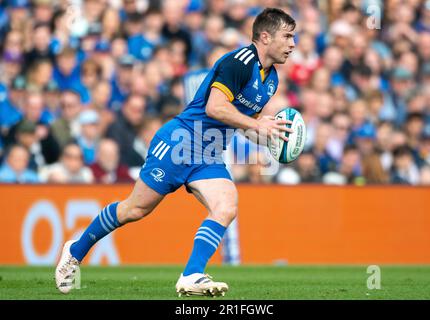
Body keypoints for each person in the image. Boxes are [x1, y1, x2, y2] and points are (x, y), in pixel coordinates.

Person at [55, 8, 296, 297]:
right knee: (135, 209)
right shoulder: (238, 62)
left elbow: (238, 121)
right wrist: (257, 124)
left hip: (208, 153)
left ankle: (192, 274)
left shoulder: (271, 80)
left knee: (227, 205)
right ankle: (75, 250)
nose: (293, 44)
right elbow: (215, 108)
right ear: (266, 36)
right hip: (180, 142)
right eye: (288, 36)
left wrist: (266, 137)